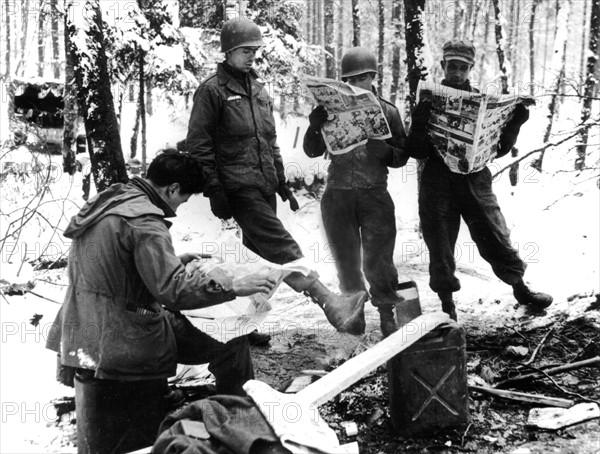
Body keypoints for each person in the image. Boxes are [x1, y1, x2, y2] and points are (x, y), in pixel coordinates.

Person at [46, 150, 278, 454]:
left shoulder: (112, 202)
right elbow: (174, 290)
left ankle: (226, 415)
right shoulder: (145, 222)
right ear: (171, 189)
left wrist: (174, 260)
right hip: (125, 339)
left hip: (83, 331)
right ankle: (238, 422)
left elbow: (116, 267)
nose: (179, 208)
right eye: (183, 199)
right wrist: (234, 284)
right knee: (231, 338)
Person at [186, 18, 368, 335]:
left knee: (258, 260)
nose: (252, 56)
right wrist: (215, 188)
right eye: (245, 50)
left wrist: (281, 180)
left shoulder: (258, 90)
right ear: (228, 52)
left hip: (264, 186)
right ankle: (330, 304)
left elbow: (269, 140)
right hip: (238, 188)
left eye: (254, 50)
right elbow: (199, 145)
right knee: (282, 247)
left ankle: (241, 326)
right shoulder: (211, 92)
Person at [405, 39, 553, 321]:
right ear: (442, 66)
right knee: (439, 242)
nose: (457, 73)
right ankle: (447, 306)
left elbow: (499, 149)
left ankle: (520, 288)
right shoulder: (428, 100)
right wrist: (420, 122)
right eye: (452, 67)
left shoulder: (482, 103)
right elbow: (415, 151)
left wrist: (515, 124)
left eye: (463, 68)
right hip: (437, 181)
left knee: (494, 232)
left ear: (471, 68)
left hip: (475, 179)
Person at [302, 47, 409, 338]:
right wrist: (315, 126)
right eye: (350, 79)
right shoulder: (329, 110)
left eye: (363, 78)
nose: (357, 84)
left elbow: (402, 156)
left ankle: (387, 314)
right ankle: (354, 314)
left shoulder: (388, 110)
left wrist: (386, 151)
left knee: (379, 260)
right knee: (346, 260)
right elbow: (311, 151)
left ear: (373, 77)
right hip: (337, 194)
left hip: (374, 193)